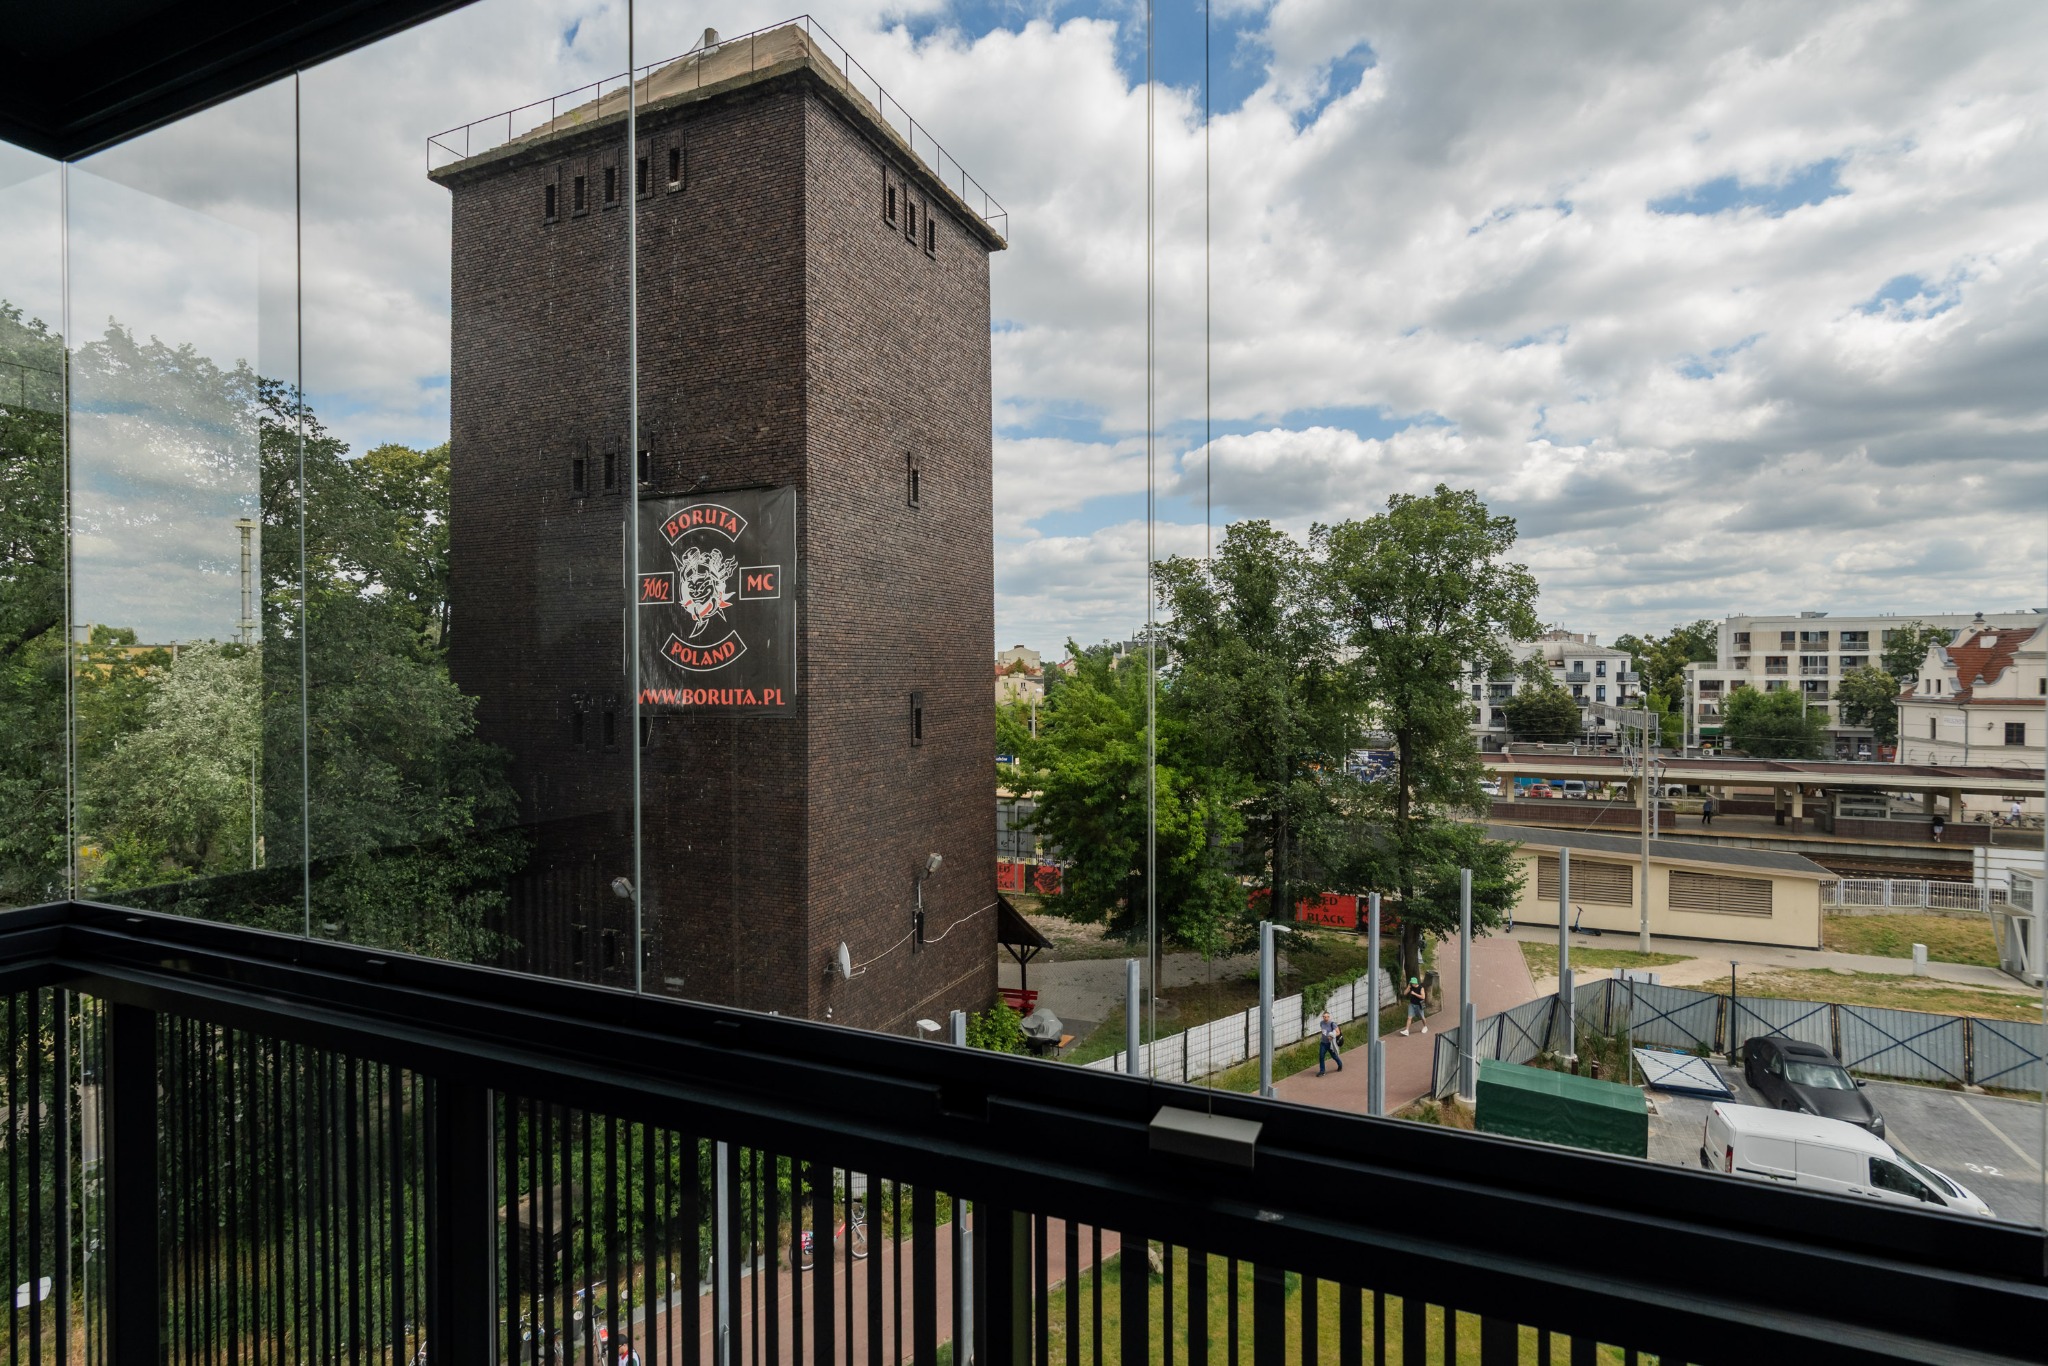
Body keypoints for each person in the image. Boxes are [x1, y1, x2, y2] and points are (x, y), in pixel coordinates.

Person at [1316, 1009, 1343, 1075]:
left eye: (1327, 1016)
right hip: (1323, 1043)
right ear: (1323, 1017)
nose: (1325, 1018)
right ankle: (1322, 1071)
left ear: (1329, 1017)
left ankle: (1340, 1064)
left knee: (1334, 1056)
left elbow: (1338, 1032)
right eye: (1324, 1017)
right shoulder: (1321, 1023)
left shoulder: (1332, 1024)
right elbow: (1323, 1031)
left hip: (1330, 1044)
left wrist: (1332, 1036)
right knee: (1321, 1056)